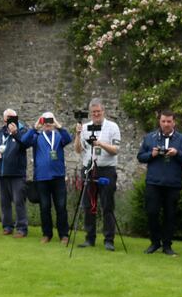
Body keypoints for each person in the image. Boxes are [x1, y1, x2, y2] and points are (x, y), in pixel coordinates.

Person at [137, 110, 182, 256]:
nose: (166, 124)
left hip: (172, 183)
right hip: (153, 182)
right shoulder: (150, 137)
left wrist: (177, 153)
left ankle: (167, 245)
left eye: (169, 121)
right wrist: (152, 154)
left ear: (174, 122)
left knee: (170, 215)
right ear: (159, 122)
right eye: (163, 121)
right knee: (152, 212)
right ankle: (155, 242)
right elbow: (140, 157)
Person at [73, 98, 121, 251]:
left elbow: (116, 149)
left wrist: (101, 144)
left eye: (98, 112)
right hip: (89, 168)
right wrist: (77, 134)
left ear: (103, 111)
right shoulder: (85, 127)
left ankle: (109, 240)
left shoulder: (112, 127)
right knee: (88, 205)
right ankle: (89, 238)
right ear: (90, 114)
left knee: (107, 205)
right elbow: (78, 150)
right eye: (93, 112)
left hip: (106, 169)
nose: (96, 114)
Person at [23, 112, 72, 244]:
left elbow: (68, 139)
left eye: (50, 121)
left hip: (58, 177)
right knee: (44, 207)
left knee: (61, 207)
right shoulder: (36, 137)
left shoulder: (58, 136)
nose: (48, 124)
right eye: (45, 121)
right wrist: (35, 126)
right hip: (41, 178)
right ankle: (47, 234)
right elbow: (23, 141)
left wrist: (58, 124)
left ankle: (64, 235)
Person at [0, 108, 30, 237]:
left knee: (18, 201)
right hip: (1, 173)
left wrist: (15, 133)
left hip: (17, 174)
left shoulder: (23, 131)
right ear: (4, 119)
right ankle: (7, 227)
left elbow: (25, 144)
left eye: (13, 117)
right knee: (4, 202)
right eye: (8, 117)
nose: (10, 119)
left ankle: (22, 228)